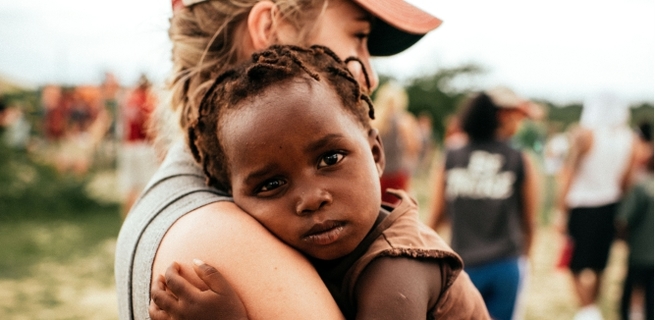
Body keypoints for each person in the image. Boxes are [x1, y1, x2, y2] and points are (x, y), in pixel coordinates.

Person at [114, 0, 444, 319]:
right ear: (270, 30)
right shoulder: (215, 237)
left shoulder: (177, 194)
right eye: (358, 37)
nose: (370, 77)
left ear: (376, 152)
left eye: (329, 159)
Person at [149, 44, 489, 320]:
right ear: (230, 197)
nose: (311, 199)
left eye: (330, 159)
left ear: (375, 152)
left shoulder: (396, 268)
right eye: (271, 184)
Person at [427, 87, 540, 320]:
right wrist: (524, 259)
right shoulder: (518, 158)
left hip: (461, 265)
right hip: (505, 264)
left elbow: (437, 215)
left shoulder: (451, 156)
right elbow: (529, 220)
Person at [554, 91, 638, 320]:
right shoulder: (629, 139)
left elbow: (568, 174)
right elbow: (626, 180)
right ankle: (592, 307)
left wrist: (559, 211)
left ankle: (587, 309)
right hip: (610, 204)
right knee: (601, 262)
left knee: (573, 262)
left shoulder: (586, 135)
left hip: (582, 205)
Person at [616, 122, 653, 320]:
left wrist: (621, 236)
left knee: (631, 292)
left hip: (640, 253)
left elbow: (623, 219)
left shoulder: (643, 188)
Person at [371, 81, 423, 204]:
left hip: (376, 174)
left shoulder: (373, 119)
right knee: (395, 212)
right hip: (397, 173)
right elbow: (414, 148)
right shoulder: (405, 120)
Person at [117, 74, 158, 218]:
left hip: (128, 146)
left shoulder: (128, 100)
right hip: (143, 147)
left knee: (130, 187)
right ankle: (142, 220)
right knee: (146, 187)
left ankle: (127, 223)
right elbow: (149, 126)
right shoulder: (147, 101)